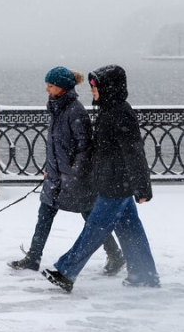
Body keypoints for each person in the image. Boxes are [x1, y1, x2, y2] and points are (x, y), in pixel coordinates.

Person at [42, 64, 160, 293]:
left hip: (116, 184)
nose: (92, 91)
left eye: (96, 87)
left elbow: (134, 152)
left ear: (109, 88)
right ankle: (143, 276)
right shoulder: (109, 110)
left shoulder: (121, 113)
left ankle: (66, 272)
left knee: (95, 228)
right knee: (130, 229)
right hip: (114, 182)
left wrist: (143, 188)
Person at [8, 66, 125, 275]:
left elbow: (84, 146)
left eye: (50, 86)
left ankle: (115, 254)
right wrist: (50, 169)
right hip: (56, 175)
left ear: (62, 88)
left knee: (92, 218)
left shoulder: (75, 111)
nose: (47, 89)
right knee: (45, 213)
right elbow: (56, 145)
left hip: (74, 178)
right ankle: (33, 257)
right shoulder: (56, 108)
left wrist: (75, 171)